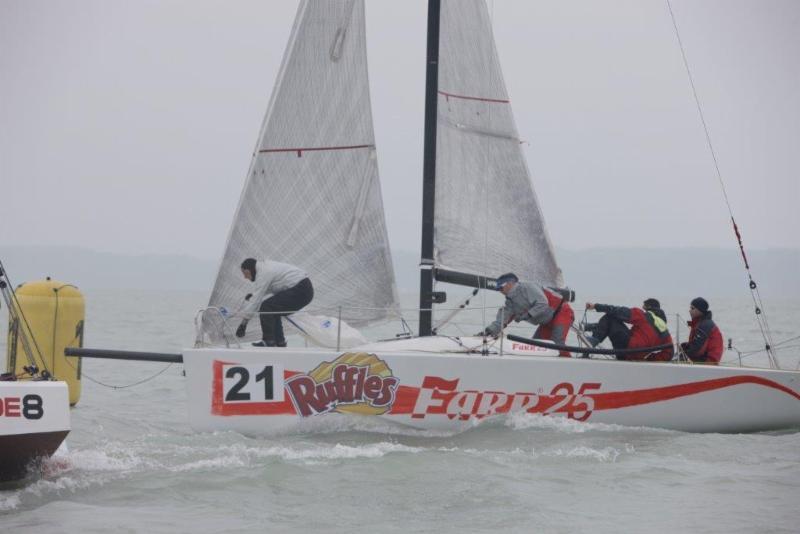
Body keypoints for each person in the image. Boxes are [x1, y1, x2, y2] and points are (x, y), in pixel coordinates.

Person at [477, 273, 575, 357]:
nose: (500, 291)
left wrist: (527, 315)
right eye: (498, 289)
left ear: (510, 284)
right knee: (536, 347)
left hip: (562, 312)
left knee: (557, 344)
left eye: (501, 287)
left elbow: (542, 304)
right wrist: (488, 332)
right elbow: (502, 321)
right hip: (546, 321)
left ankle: (571, 367)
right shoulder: (510, 302)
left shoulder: (527, 287)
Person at [235, 258, 314, 347]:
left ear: (250, 269)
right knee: (273, 311)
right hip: (304, 289)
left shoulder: (264, 272)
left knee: (266, 307)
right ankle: (280, 342)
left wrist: (243, 324)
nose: (245, 277)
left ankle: (268, 341)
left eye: (245, 273)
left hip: (301, 289)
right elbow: (265, 290)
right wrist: (253, 295)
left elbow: (256, 300)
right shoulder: (265, 268)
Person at [583, 298, 674, 361]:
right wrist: (649, 360)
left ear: (649, 308)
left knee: (610, 317)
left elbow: (617, 311)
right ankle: (592, 328)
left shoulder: (644, 316)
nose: (643, 310)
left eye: (644, 308)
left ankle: (590, 345)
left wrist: (595, 306)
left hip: (626, 349)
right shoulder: (665, 331)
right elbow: (669, 353)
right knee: (613, 323)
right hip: (636, 356)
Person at [680, 297, 724, 364]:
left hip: (709, 362)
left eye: (692, 308)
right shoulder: (699, 323)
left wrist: (684, 354)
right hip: (703, 359)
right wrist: (686, 346)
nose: (689, 311)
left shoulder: (705, 325)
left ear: (700, 310)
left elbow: (697, 350)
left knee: (679, 358)